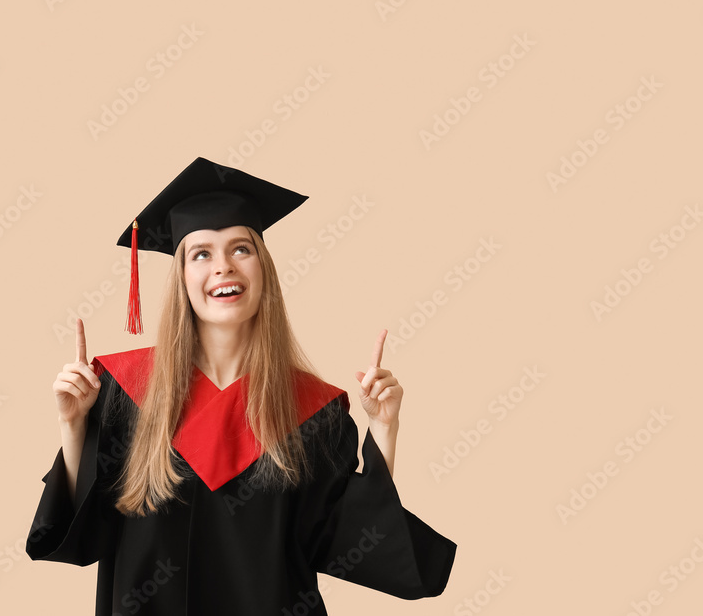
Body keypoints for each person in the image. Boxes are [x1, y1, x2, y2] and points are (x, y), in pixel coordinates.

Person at [25, 157, 456, 615]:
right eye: (202, 253)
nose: (223, 267)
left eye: (241, 249)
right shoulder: (123, 390)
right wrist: (73, 424)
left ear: (263, 267)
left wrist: (383, 428)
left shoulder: (313, 410)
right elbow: (85, 536)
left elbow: (346, 541)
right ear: (183, 278)